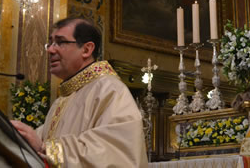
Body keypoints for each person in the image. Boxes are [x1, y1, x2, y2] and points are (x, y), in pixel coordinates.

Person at [12, 17, 148, 167]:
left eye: (60, 42)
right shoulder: (65, 98)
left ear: (86, 49)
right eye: (50, 43)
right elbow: (41, 140)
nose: (50, 50)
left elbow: (114, 153)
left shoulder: (110, 90)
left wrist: (46, 148)